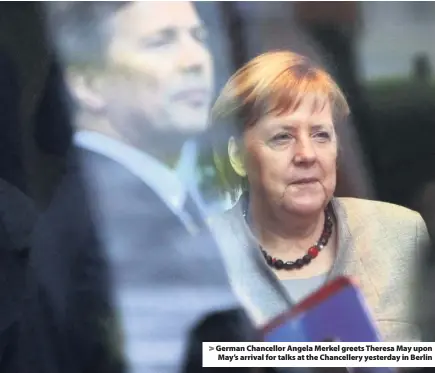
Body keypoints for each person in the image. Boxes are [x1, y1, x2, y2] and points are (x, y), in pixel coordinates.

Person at [29, 2, 257, 373]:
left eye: (198, 37)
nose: (195, 59)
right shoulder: (113, 225)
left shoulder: (140, 203)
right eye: (161, 42)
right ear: (88, 83)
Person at [209, 50, 429, 342]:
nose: (307, 155)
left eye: (321, 135)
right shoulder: (204, 253)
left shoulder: (400, 233)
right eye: (282, 137)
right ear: (237, 156)